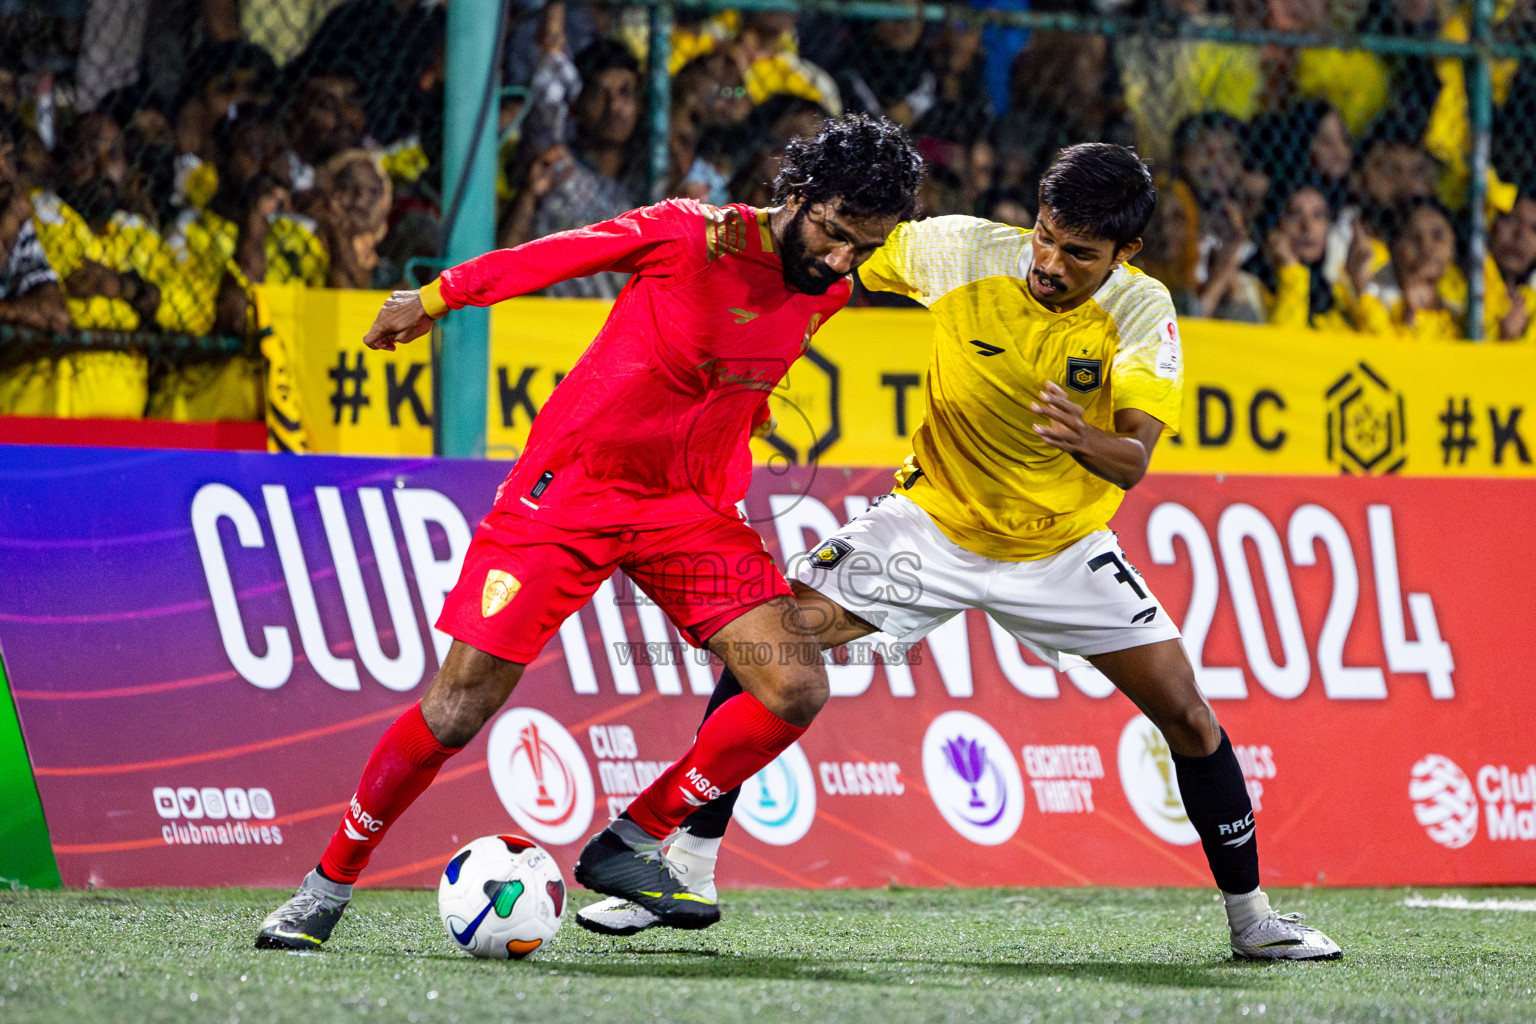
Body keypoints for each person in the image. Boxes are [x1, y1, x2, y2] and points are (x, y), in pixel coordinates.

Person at [578, 143, 1344, 964]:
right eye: (1046, 235)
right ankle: (688, 867)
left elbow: (1135, 459)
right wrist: (741, 255)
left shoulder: (1140, 312)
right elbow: (837, 254)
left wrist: (1084, 436)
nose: (1049, 262)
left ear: (1125, 255)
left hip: (1061, 547)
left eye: (1078, 253)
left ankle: (1253, 919)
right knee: (775, 643)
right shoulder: (966, 251)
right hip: (930, 523)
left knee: (1189, 716)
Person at [254, 114, 924, 950]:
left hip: (690, 515)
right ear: (797, 195)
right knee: (460, 708)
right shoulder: (689, 233)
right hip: (568, 496)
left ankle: (631, 842)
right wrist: (433, 298)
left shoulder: (828, 292)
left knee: (794, 685)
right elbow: (553, 256)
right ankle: (324, 888)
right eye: (832, 233)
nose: (839, 261)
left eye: (861, 246)